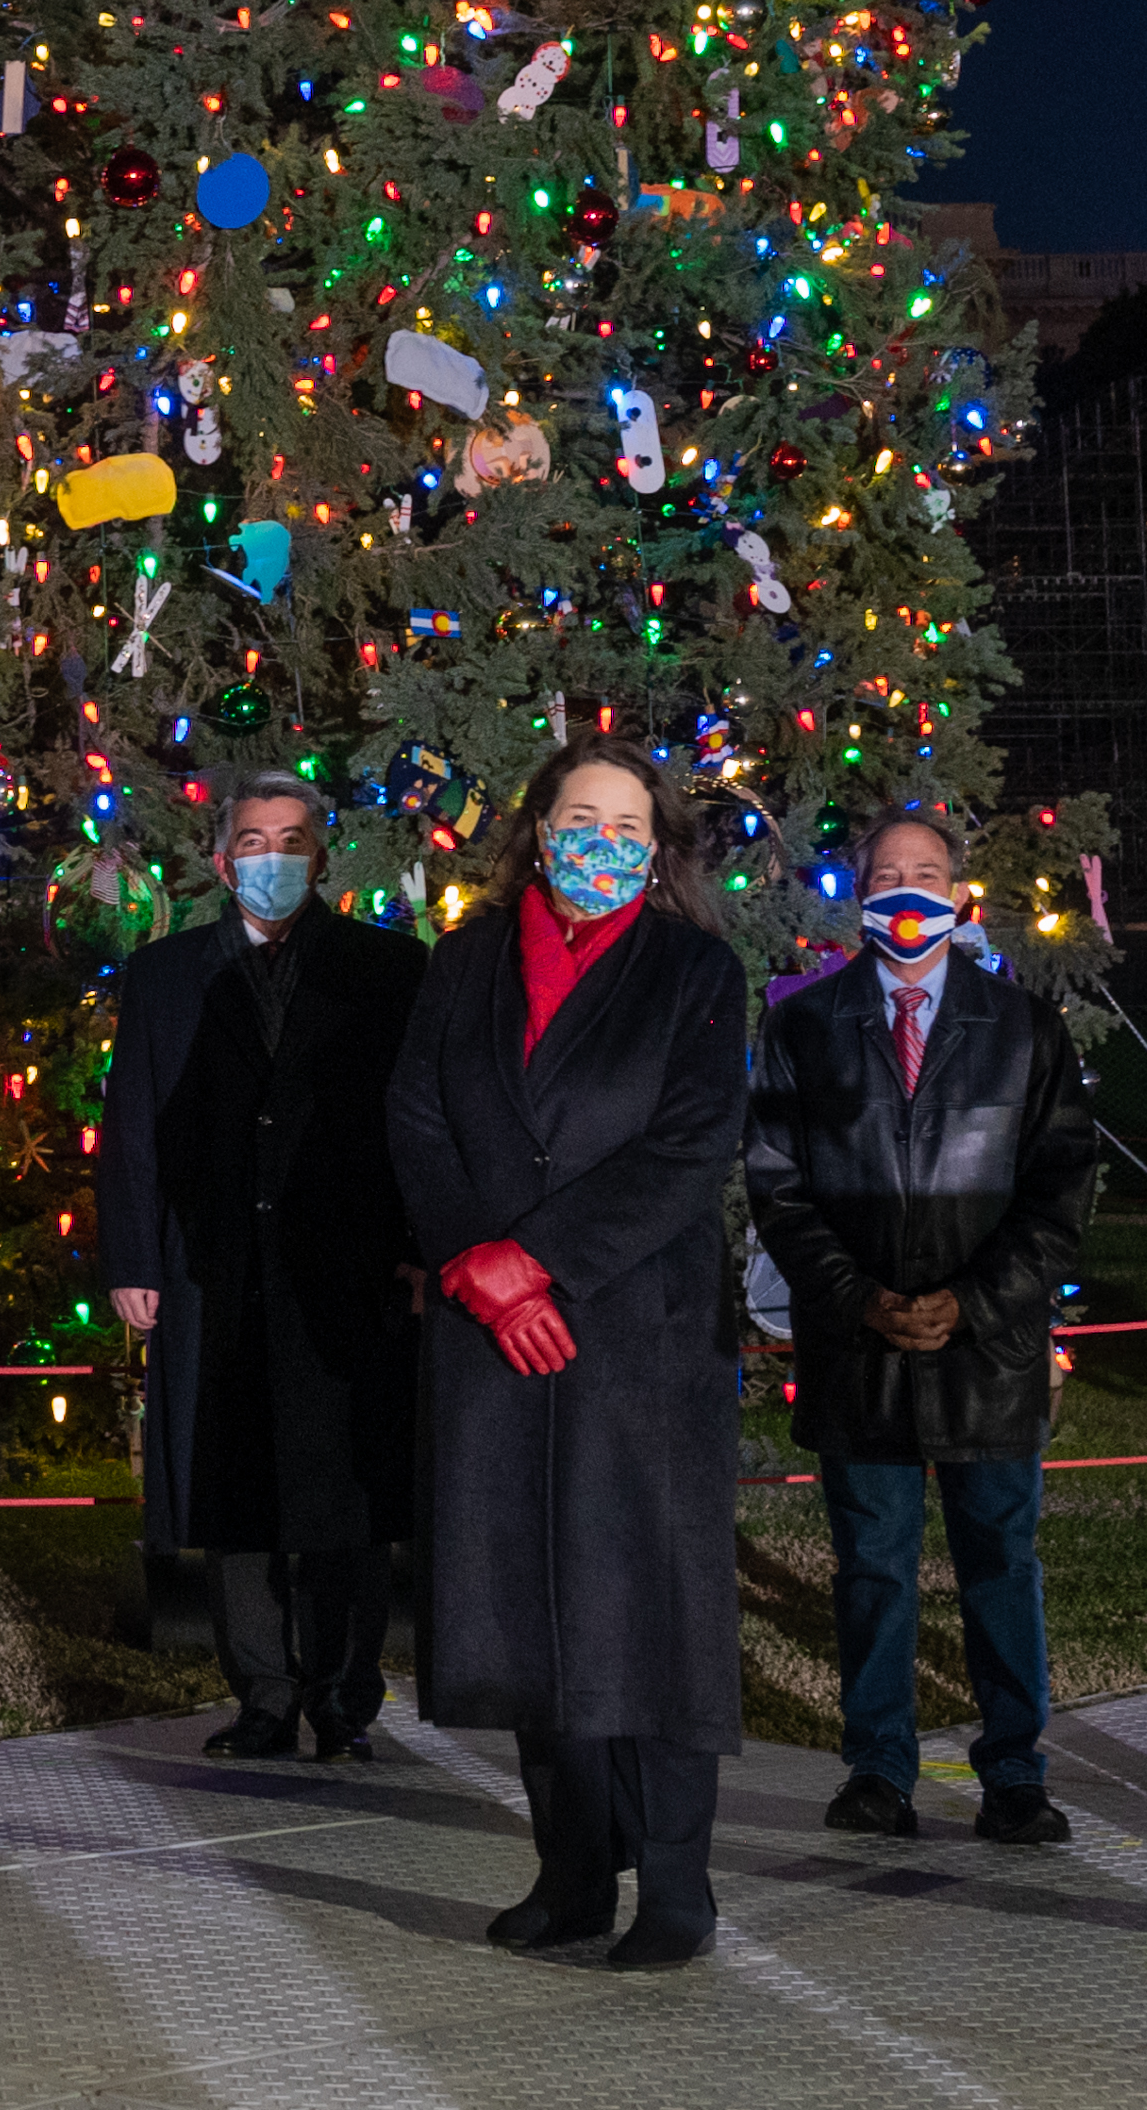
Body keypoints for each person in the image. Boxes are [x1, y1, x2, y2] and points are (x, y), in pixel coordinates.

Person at [386, 742, 750, 1970]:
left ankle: (680, 1886)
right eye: (577, 814)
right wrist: (471, 1259)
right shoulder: (466, 959)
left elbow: (694, 1144)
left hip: (631, 1331)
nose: (600, 837)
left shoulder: (696, 968)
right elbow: (417, 1115)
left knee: (645, 1602)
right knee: (528, 1602)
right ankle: (572, 1871)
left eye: (626, 820)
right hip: (491, 1332)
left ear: (659, 844)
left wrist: (539, 1258)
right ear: (537, 827)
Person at [746, 810, 1102, 1846]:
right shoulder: (806, 1025)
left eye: (928, 873)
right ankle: (880, 1768)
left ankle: (1016, 1773)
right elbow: (779, 1184)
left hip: (988, 1351)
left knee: (1002, 1560)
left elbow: (1060, 1189)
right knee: (872, 1566)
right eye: (887, 873)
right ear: (858, 890)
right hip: (862, 1348)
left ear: (958, 893)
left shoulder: (1022, 1026)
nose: (908, 889)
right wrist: (858, 1294)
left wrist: (978, 1301)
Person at [97, 773, 428, 1762]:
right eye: (254, 838)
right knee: (233, 1486)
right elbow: (132, 1131)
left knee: (346, 1492)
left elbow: (416, 1126)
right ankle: (262, 1692)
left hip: (350, 1273)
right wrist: (132, 1254)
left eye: (292, 839)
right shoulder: (165, 975)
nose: (272, 856)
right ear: (220, 857)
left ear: (321, 857)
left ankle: (343, 1692)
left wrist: (417, 1251)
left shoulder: (390, 970)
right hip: (215, 1267)